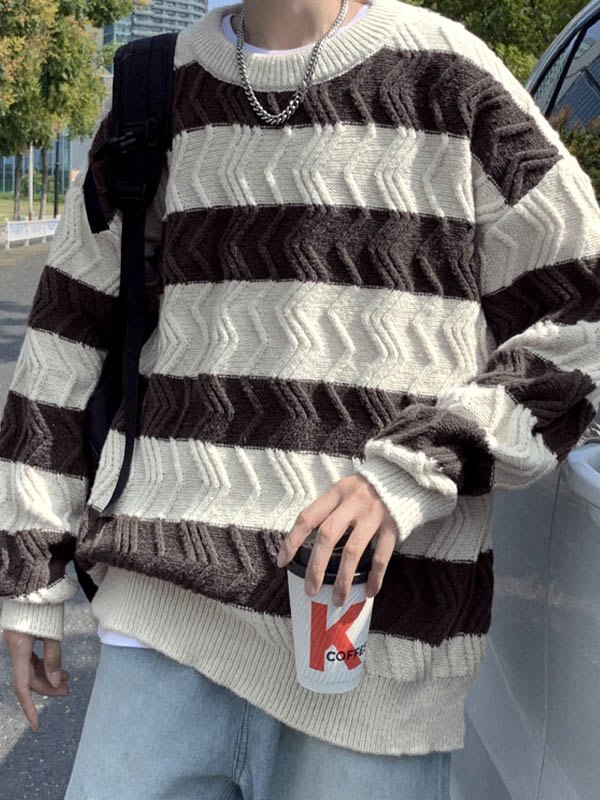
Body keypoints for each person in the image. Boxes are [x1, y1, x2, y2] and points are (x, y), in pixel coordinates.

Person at [1, 0, 600, 797]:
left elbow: (585, 314)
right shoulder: (155, 86)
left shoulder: (450, 78)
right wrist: (29, 573)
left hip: (374, 648)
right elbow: (64, 338)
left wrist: (415, 470)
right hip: (162, 621)